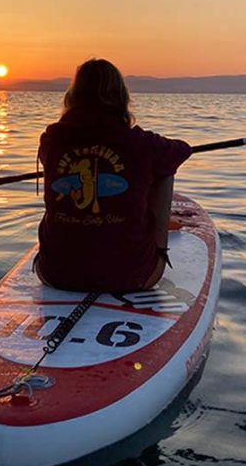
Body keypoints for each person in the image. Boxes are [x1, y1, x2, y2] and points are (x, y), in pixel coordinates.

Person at [35, 58, 191, 292]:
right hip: (133, 277)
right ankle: (158, 248)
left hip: (55, 274)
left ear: (73, 96)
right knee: (164, 170)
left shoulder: (51, 140)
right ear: (120, 97)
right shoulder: (142, 144)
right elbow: (182, 150)